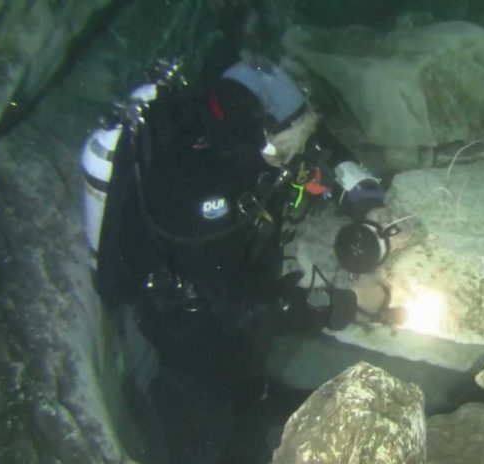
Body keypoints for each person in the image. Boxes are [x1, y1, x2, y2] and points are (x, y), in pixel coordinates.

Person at [81, 56, 395, 334]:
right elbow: (240, 308)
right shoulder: (202, 197)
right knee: (235, 358)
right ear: (258, 141)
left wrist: (366, 201)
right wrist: (342, 305)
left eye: (302, 134)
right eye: (289, 144)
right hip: (189, 311)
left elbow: (316, 145)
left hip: (241, 255)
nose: (299, 151)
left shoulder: (247, 135)